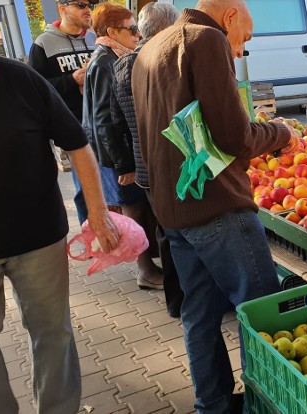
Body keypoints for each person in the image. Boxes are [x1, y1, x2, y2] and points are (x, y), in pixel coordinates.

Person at [132, 0, 301, 410]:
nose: (241, 50)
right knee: (261, 313)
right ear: (229, 18)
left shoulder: (150, 49)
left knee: (199, 315)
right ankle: (266, 402)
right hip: (217, 206)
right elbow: (235, 138)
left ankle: (213, 405)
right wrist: (281, 132)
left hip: (173, 209)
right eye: (244, 38)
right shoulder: (205, 40)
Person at [0, 0, 119, 412]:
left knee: (53, 333)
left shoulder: (21, 79)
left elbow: (78, 144)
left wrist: (97, 214)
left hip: (39, 238)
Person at [83, 2, 164, 288]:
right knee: (134, 211)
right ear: (112, 31)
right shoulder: (106, 62)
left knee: (138, 209)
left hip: (117, 152)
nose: (137, 35)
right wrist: (124, 164)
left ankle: (149, 265)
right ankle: (145, 271)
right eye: (131, 29)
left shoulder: (109, 55)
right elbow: (105, 118)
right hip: (116, 155)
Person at [112, 2, 184, 316]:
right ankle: (187, 300)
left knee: (164, 233)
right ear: (170, 28)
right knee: (180, 234)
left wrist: (125, 164)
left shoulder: (120, 64)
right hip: (169, 163)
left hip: (144, 167)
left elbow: (114, 119)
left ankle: (175, 302)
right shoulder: (162, 60)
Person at [28, 0, 97, 223]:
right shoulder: (43, 43)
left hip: (100, 118)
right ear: (63, 8)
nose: (88, 9)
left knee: (106, 181)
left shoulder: (93, 37)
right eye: (81, 4)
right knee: (83, 184)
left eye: (91, 4)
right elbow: (37, 88)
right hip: (71, 123)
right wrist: (71, 80)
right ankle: (89, 233)